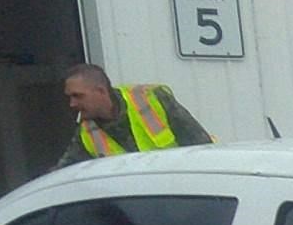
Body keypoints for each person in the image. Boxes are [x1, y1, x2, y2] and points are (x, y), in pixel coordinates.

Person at [56, 64, 214, 166]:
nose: (72, 104)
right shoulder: (86, 133)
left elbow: (202, 147)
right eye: (70, 97)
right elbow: (60, 174)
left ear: (101, 91)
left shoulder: (152, 100)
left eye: (78, 96)